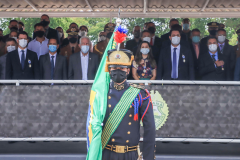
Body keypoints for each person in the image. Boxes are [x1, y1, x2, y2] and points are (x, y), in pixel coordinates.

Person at [101, 49, 155, 160]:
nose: (118, 71)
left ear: (128, 70)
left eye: (121, 68)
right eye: (114, 68)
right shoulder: (101, 94)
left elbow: (149, 128)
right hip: (106, 154)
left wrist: (148, 157)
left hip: (130, 154)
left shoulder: (140, 94)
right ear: (109, 70)